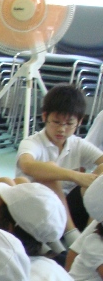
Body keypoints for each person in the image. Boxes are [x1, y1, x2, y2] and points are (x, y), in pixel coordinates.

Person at [16, 84, 103, 239]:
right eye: (56, 122)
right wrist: (75, 176)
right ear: (45, 117)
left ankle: (90, 234)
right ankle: (72, 236)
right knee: (49, 172)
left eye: (69, 124)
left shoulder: (78, 144)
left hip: (70, 209)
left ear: (79, 122)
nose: (62, 129)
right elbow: (27, 165)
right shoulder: (32, 142)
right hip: (38, 210)